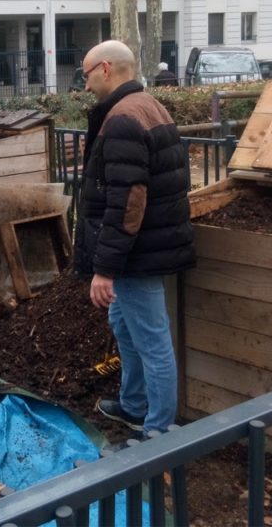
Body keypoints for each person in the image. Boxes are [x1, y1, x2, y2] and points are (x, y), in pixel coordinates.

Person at [74, 40, 195, 438]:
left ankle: (157, 431)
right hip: (145, 247)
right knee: (123, 324)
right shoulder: (146, 106)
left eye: (87, 74)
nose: (85, 85)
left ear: (105, 69)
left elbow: (128, 202)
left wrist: (105, 269)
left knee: (153, 340)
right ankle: (133, 404)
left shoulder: (125, 118)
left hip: (136, 255)